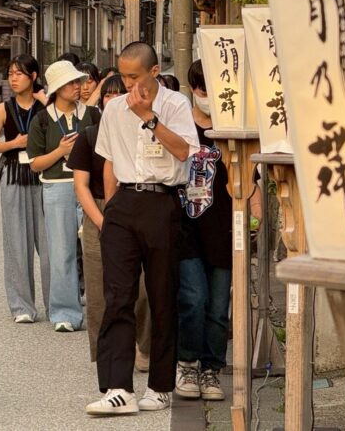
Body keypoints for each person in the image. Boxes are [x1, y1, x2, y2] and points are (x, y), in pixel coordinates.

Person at [86, 42, 199, 416]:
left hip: (162, 201)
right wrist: (110, 208)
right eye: (122, 75)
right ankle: (118, 387)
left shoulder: (175, 104)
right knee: (117, 295)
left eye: (133, 75)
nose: (126, 82)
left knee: (162, 293)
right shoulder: (113, 108)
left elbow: (184, 151)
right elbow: (108, 161)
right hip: (123, 202)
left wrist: (149, 117)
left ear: (153, 72)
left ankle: (161, 385)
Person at [66, 75, 151, 367]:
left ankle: (142, 345)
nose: (112, 100)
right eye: (107, 95)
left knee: (142, 286)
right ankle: (106, 354)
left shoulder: (142, 131)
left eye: (120, 94)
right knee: (99, 289)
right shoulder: (89, 135)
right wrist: (103, 222)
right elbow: (81, 186)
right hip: (97, 212)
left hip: (133, 207)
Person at [174, 60, 233, 401]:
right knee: (193, 298)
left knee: (218, 306)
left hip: (223, 227)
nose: (207, 97)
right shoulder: (181, 126)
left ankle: (212, 369)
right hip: (186, 225)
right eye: (201, 89)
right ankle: (188, 363)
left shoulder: (232, 128)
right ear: (193, 90)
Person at [27, 60, 101, 333]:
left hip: (90, 187)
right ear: (57, 88)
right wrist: (59, 152)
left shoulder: (93, 114)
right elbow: (34, 163)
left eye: (78, 81)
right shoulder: (42, 119)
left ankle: (98, 311)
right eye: (71, 83)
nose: (78, 86)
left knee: (94, 250)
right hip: (56, 187)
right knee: (62, 252)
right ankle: (64, 313)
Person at [0, 55, 49, 324]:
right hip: (13, 173)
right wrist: (14, 143)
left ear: (33, 77)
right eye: (10, 73)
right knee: (16, 242)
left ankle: (57, 304)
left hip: (44, 174)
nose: (13, 78)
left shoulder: (45, 107)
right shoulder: (4, 108)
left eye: (19, 73)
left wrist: (47, 99)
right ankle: (22, 306)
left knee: (49, 243)